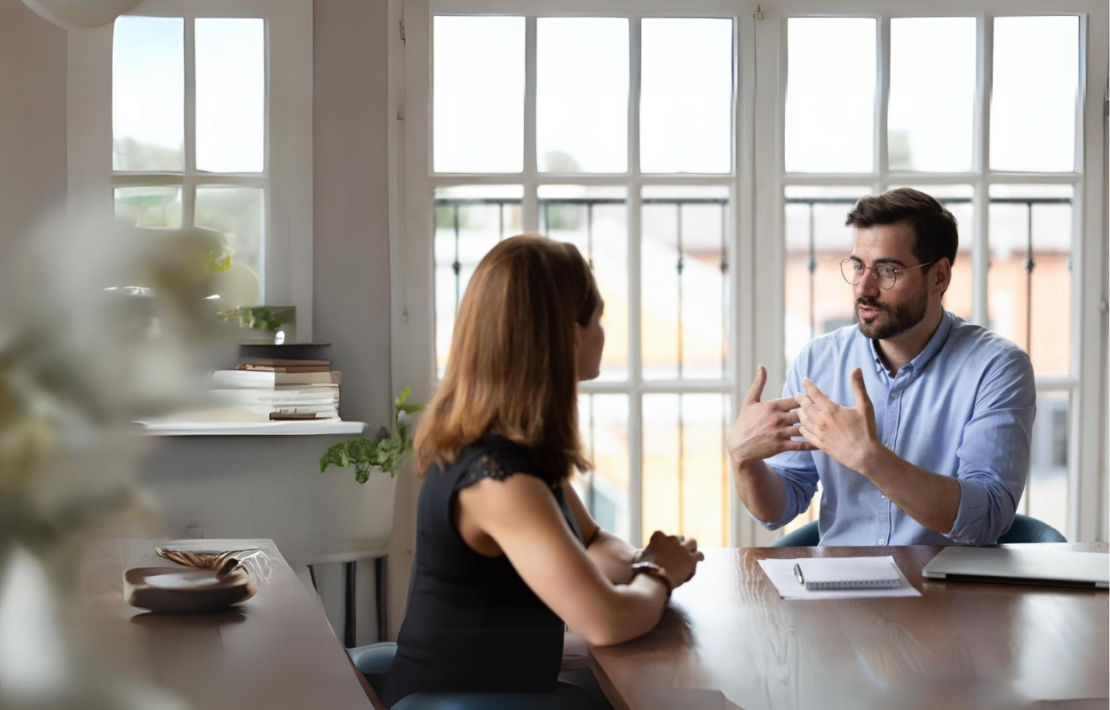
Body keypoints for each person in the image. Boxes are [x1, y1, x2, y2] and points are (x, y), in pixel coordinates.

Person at [378, 235, 703, 708]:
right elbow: (606, 622)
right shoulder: (498, 479)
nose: (603, 332)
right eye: (599, 318)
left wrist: (640, 562)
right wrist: (658, 573)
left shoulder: (511, 449)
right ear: (570, 335)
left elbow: (590, 542)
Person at [727, 188, 1036, 547]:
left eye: (888, 270)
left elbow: (988, 518)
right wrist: (743, 460)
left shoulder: (997, 368)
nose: (864, 288)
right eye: (858, 266)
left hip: (950, 593)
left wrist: (870, 458)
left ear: (939, 277)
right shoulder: (818, 361)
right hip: (840, 589)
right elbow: (779, 507)